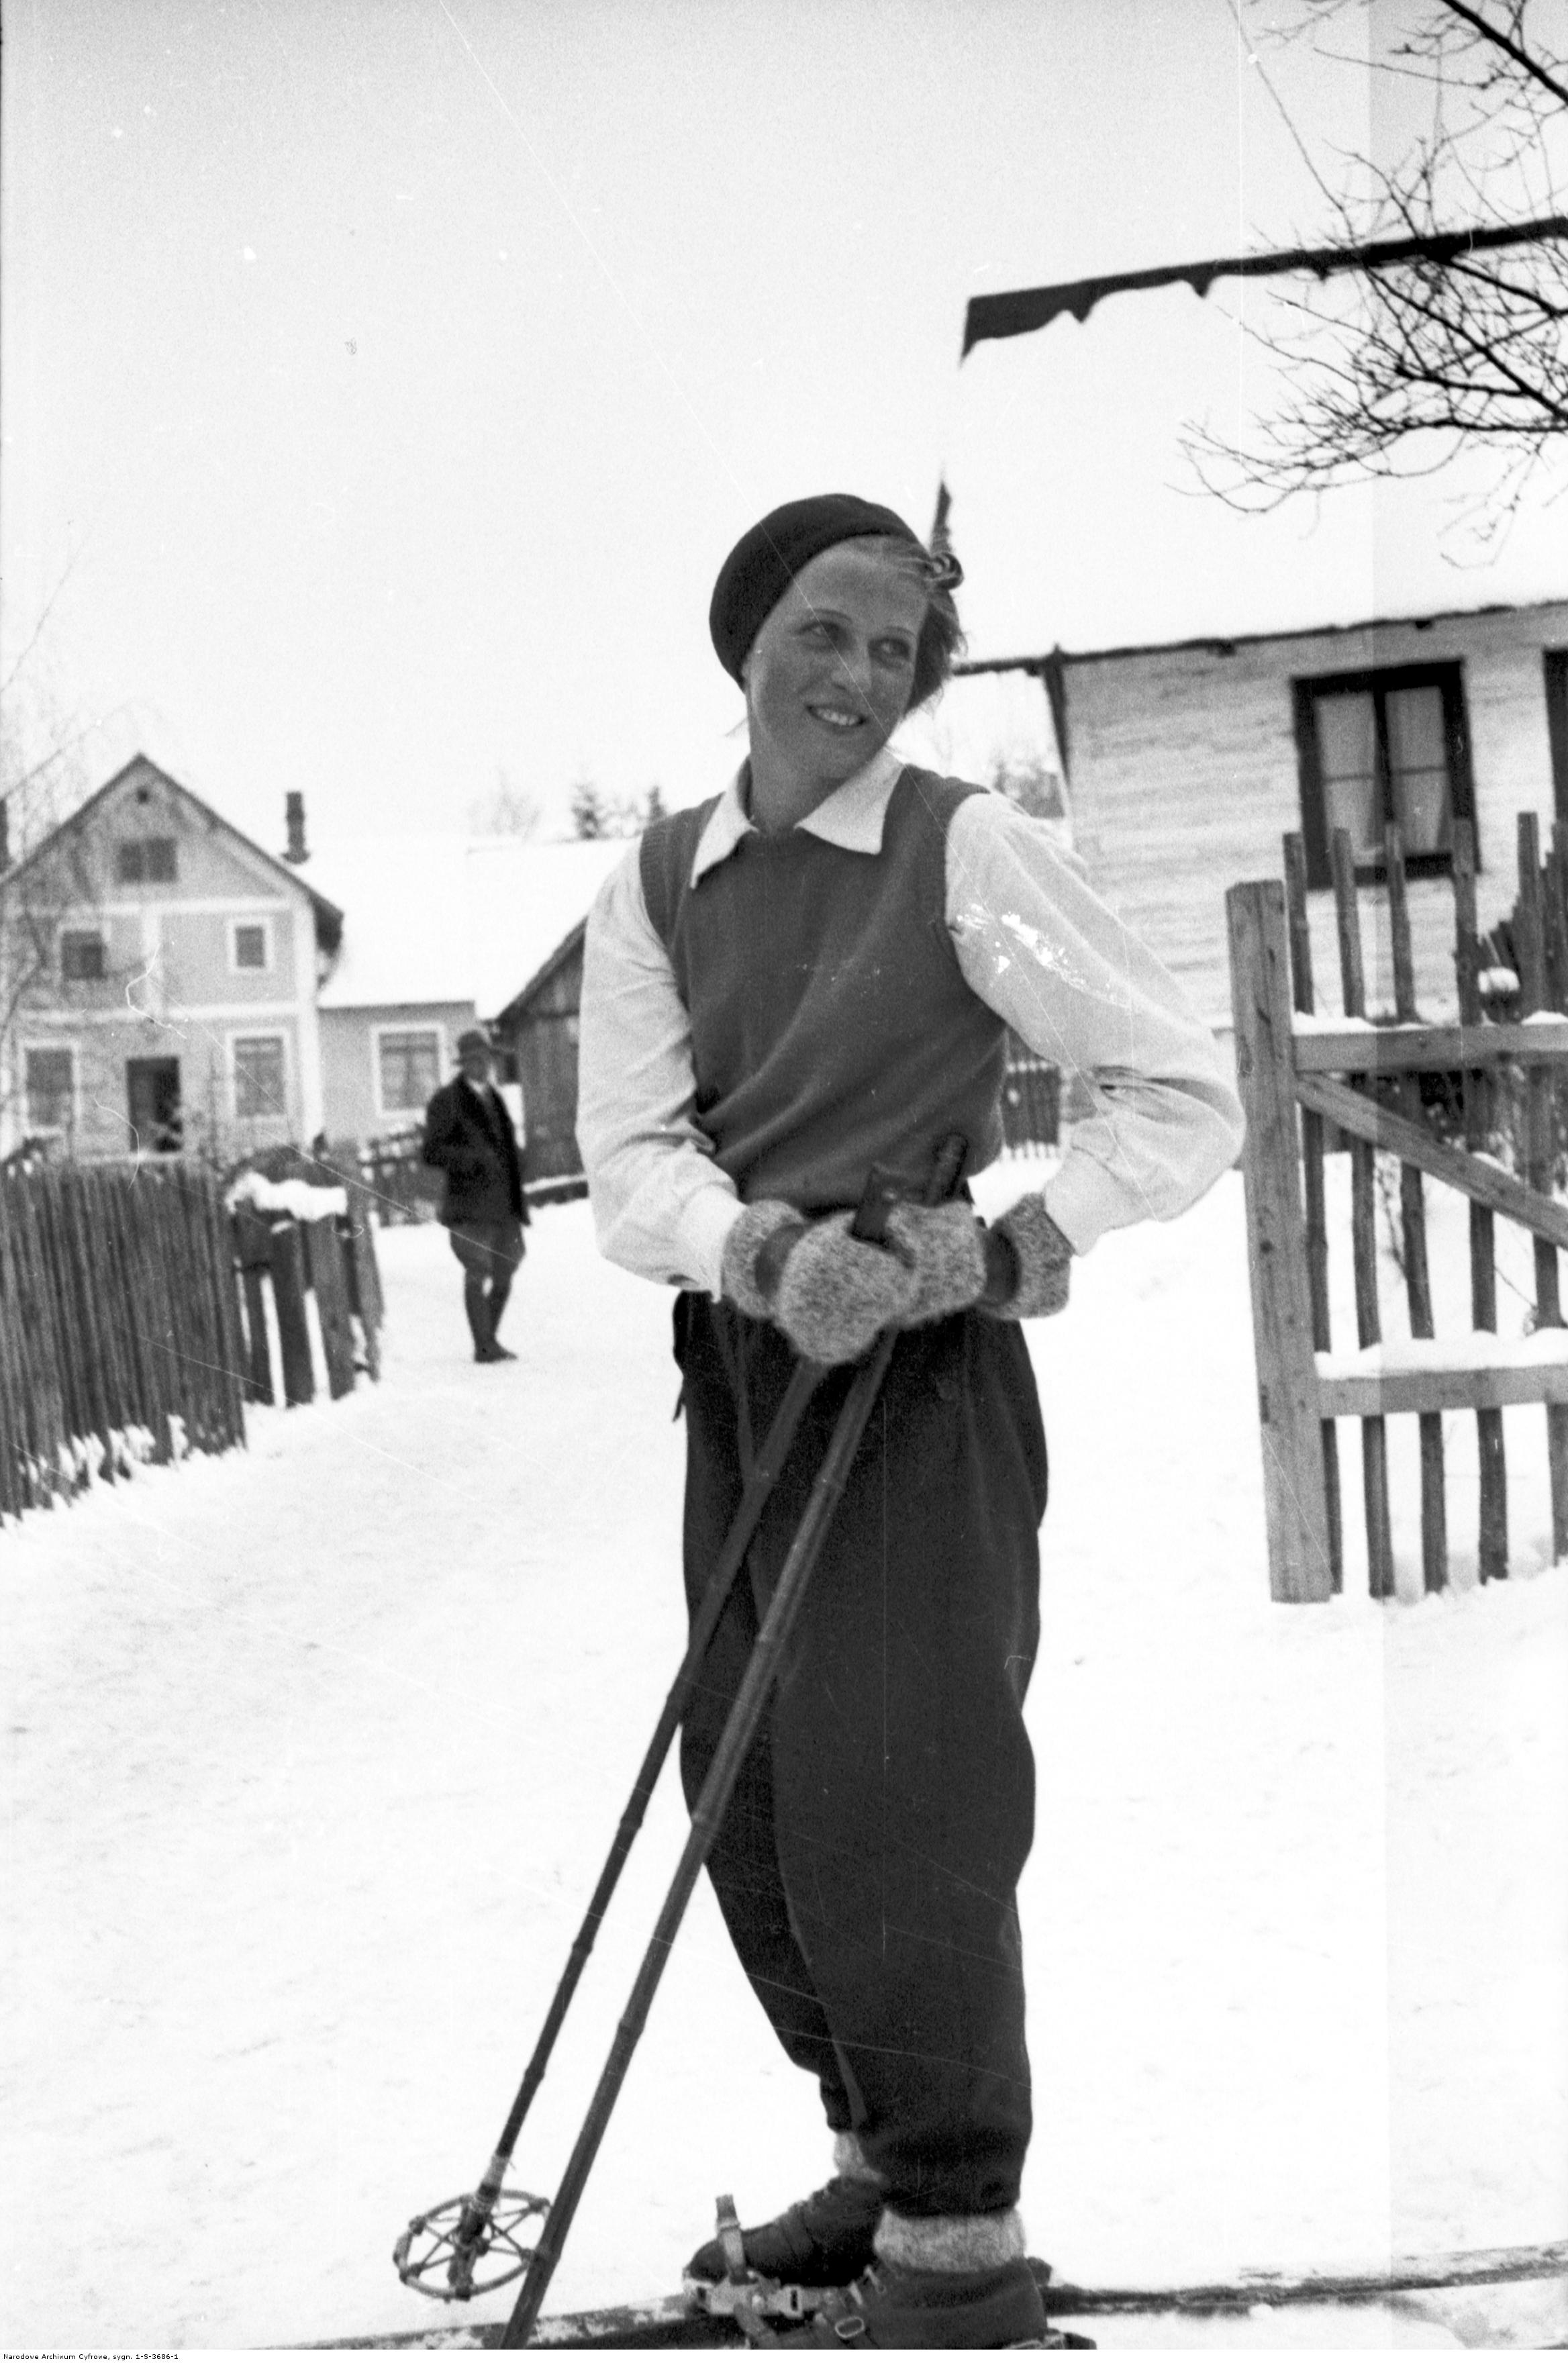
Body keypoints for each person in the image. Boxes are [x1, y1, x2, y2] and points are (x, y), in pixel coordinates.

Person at [576, 493, 1244, 2350]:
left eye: (898, 648)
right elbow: (626, 1158)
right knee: (754, 1793)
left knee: (906, 1794)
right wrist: (758, 1252)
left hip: (926, 1366)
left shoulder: (969, 851)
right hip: (757, 1355)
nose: (861, 676)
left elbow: (1180, 1093)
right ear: (748, 644)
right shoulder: (653, 884)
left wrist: (1010, 1242)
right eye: (824, 631)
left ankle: (957, 2232)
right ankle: (881, 2146)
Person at [422, 1026, 529, 1363]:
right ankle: (484, 1346)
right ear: (463, 1065)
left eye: (484, 1059)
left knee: (506, 1270)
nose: (480, 1066)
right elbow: (431, 1152)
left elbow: (506, 1147)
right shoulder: (447, 1101)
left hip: (504, 1205)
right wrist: (471, 1159)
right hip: (469, 1206)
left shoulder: (495, 1098)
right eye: (472, 1061)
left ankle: (489, 1339)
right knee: (477, 1270)